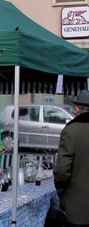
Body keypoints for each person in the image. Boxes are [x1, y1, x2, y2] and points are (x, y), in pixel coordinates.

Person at [54, 90, 89, 227]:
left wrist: (63, 193)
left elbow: (62, 171)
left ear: (78, 109)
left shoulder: (70, 131)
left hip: (78, 209)